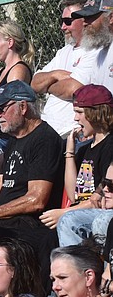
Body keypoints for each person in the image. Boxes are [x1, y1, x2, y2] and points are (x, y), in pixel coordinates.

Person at [0, 81, 65, 274]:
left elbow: (37, 200)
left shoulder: (45, 139)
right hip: (6, 222)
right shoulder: (14, 141)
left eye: (1, 108)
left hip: (28, 226)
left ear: (22, 107)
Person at [48, 85, 113, 246]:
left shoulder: (110, 145)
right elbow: (73, 195)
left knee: (66, 222)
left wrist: (64, 213)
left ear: (96, 113)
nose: (75, 118)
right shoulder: (84, 149)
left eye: (80, 112)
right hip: (80, 210)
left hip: (99, 213)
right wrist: (70, 151)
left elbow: (100, 198)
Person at [31, 0, 89, 134]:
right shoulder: (64, 52)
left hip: (73, 131)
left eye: (68, 21)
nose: (63, 27)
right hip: (50, 131)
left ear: (85, 20)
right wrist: (56, 74)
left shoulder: (95, 51)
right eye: (62, 21)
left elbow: (74, 90)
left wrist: (48, 86)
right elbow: (35, 83)